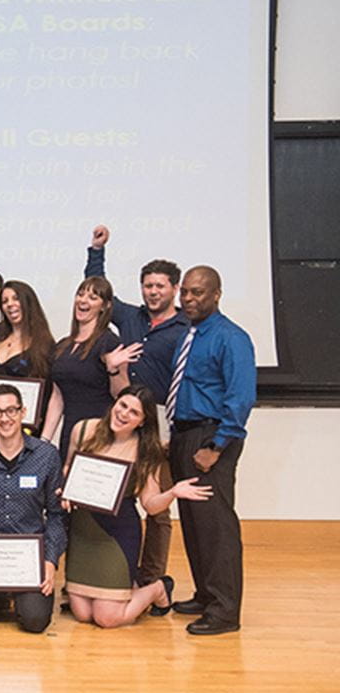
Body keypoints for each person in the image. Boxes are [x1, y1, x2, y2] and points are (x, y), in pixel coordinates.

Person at [83, 224, 189, 584]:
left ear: (174, 289)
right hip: (123, 417)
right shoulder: (130, 317)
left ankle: (152, 578)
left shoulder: (187, 329)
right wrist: (96, 251)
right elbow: (98, 289)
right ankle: (113, 570)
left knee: (156, 508)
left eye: (160, 285)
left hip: (160, 419)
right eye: (148, 285)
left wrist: (172, 432)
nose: (153, 291)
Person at [63, 385, 213, 628]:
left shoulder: (146, 451)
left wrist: (173, 493)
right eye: (122, 405)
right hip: (83, 532)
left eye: (134, 413)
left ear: (143, 421)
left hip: (117, 534)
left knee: (106, 618)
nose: (123, 414)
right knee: (82, 614)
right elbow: (68, 468)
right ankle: (124, 588)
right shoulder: (83, 430)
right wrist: (67, 487)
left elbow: (151, 506)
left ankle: (157, 588)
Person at [167, 266, 256, 636]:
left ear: (217, 294)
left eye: (197, 293)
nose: (188, 299)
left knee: (216, 527)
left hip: (211, 437)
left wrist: (217, 446)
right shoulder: (189, 334)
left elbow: (241, 396)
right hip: (184, 434)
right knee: (193, 523)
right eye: (185, 292)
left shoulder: (231, 337)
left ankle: (224, 612)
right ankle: (205, 594)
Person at [0, 384, 66, 633]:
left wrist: (50, 561)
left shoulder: (46, 455)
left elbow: (56, 515)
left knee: (35, 622)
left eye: (11, 411)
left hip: (29, 558)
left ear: (22, 412)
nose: (4, 418)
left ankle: (6, 598)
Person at [42, 277, 136, 456]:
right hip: (69, 431)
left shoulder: (109, 342)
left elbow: (122, 395)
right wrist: (45, 441)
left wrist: (113, 368)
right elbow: (57, 396)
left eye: (93, 297)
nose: (83, 300)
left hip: (99, 432)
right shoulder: (62, 346)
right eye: (80, 294)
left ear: (105, 306)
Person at [0, 280, 56, 436]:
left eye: (16, 298)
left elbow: (50, 396)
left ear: (29, 303)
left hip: (25, 434)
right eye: (4, 301)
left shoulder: (45, 346)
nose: (10, 304)